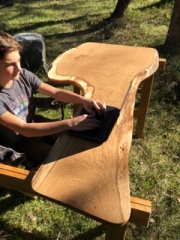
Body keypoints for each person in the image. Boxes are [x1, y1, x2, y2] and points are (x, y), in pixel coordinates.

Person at [0, 31, 106, 167]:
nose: (19, 68)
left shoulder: (23, 76)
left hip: (35, 121)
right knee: (64, 159)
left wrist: (84, 100)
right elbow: (24, 128)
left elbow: (56, 93)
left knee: (77, 140)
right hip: (22, 141)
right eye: (10, 64)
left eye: (19, 60)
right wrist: (71, 123)